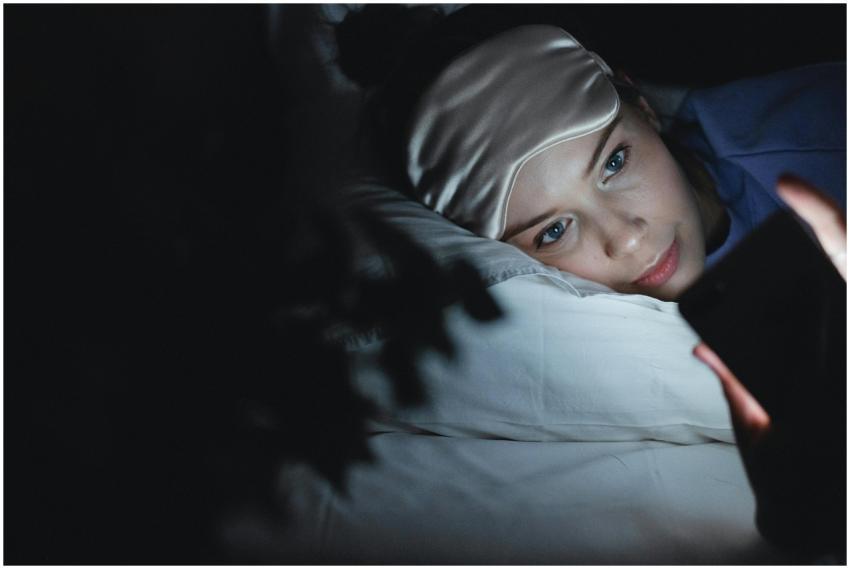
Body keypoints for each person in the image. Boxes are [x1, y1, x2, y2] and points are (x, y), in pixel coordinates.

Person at [337, 6, 846, 560]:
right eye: (554, 230)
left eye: (614, 162)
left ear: (642, 106)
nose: (625, 239)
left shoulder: (824, 137)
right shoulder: (611, 346)